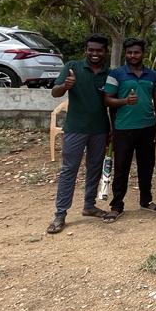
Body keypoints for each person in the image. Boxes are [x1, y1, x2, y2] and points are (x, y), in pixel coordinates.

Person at [47, 34, 111, 234]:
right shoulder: (72, 67)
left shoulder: (109, 73)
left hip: (100, 129)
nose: (94, 53)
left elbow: (110, 101)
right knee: (69, 170)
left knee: (94, 169)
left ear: (105, 52)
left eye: (99, 50)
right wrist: (65, 86)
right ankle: (60, 214)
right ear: (86, 50)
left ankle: (89, 206)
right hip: (75, 128)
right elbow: (55, 92)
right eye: (91, 50)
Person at [102, 37, 156, 222]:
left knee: (147, 166)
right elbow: (107, 100)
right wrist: (125, 101)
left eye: (136, 52)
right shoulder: (116, 74)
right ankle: (117, 205)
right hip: (123, 128)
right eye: (129, 52)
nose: (133, 55)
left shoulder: (153, 75)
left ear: (143, 53)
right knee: (122, 168)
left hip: (148, 127)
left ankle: (146, 200)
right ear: (125, 54)